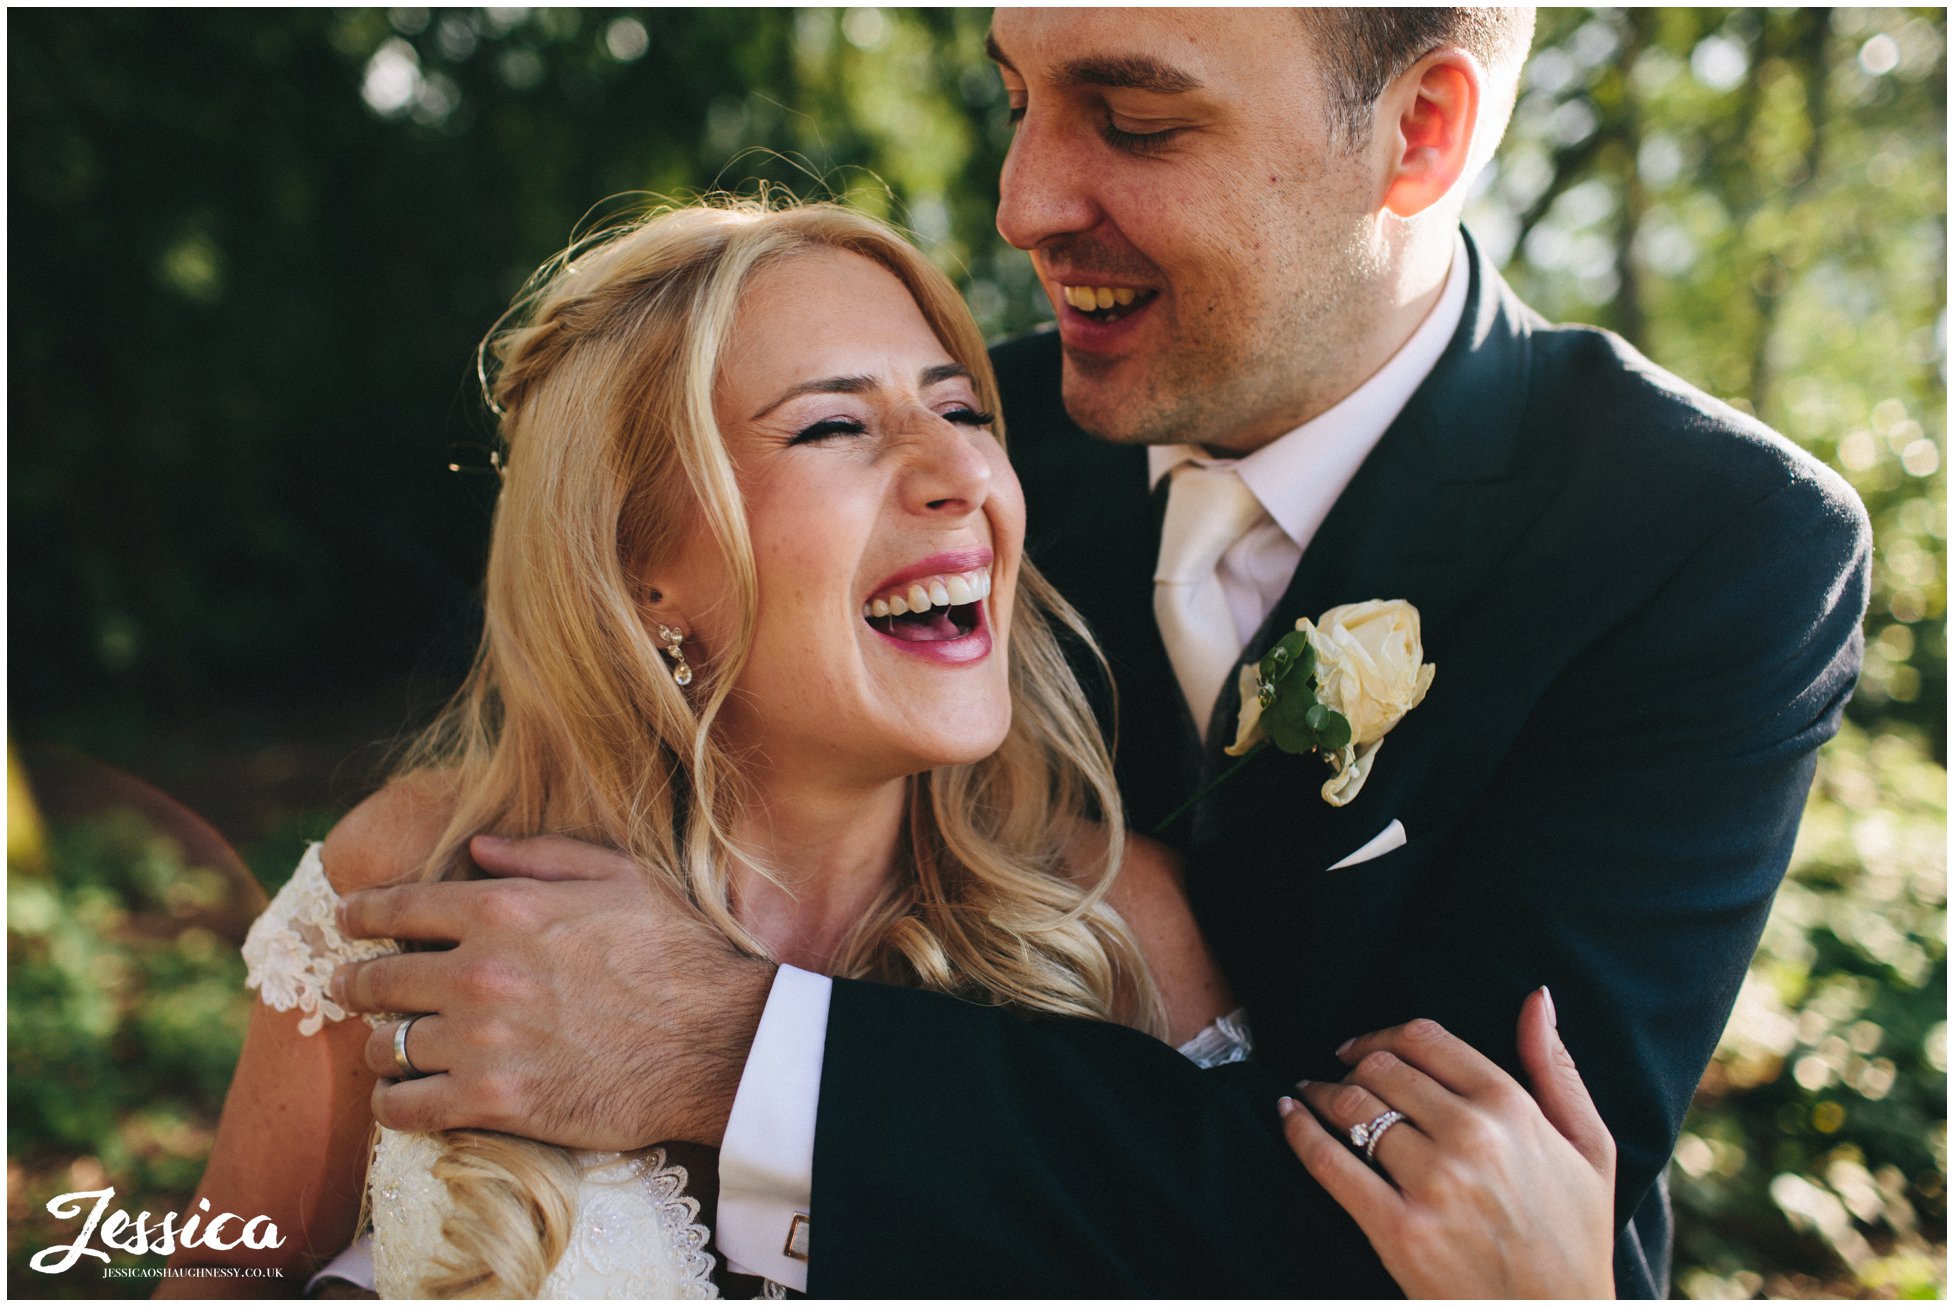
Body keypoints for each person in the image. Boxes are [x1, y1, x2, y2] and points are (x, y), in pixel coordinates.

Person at [327, 7, 1871, 1298]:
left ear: (1418, 135)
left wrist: (745, 1048)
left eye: (1131, 120)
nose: (1020, 201)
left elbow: (1413, 1231)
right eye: (1015, 98)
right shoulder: (943, 462)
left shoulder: (1703, 539)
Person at [167, 199, 1614, 1298]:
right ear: (643, 564)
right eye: (832, 429)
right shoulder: (404, 888)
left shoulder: (1124, 940)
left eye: (960, 410)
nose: (961, 480)